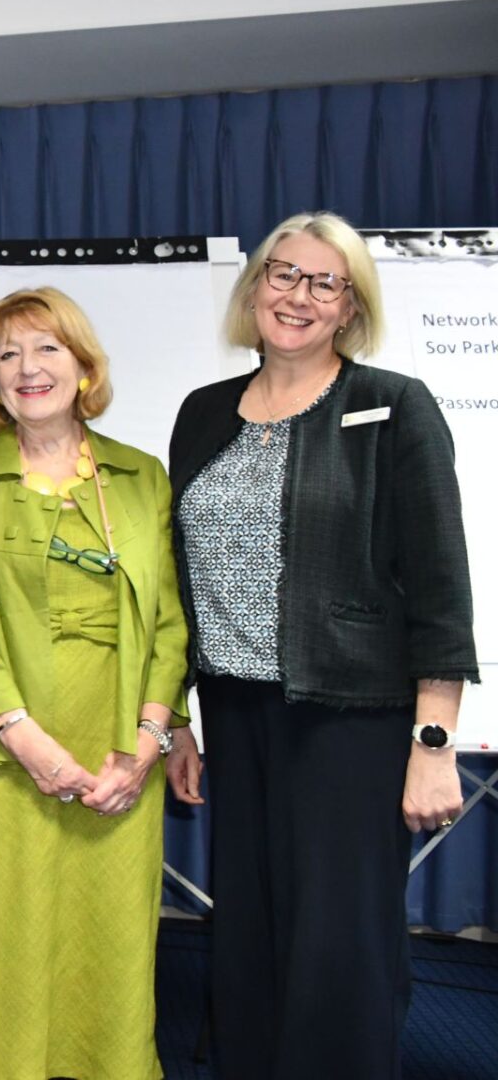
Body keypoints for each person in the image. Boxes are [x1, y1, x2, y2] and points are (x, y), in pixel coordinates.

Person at [167, 212, 475, 1079]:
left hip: (352, 722)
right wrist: (180, 719)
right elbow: (178, 581)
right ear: (255, 287)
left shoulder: (393, 404)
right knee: (252, 940)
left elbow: (442, 589)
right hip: (234, 711)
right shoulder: (201, 414)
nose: (297, 296)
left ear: (349, 307)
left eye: (323, 283)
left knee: (339, 950)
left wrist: (433, 742)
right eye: (283, 274)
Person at [0, 287, 191, 1079]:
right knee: (6, 942)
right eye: (8, 354)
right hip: (6, 757)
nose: (28, 368)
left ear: (83, 365)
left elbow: (173, 621)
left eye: (47, 349)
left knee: (111, 943)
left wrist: (145, 745)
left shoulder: (142, 478)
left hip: (118, 757)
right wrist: (27, 741)